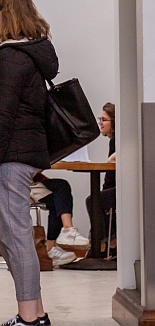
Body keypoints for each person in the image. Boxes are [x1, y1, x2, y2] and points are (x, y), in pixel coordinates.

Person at [0, 0, 58, 326]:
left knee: (16, 237)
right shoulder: (21, 54)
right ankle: (34, 314)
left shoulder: (10, 57)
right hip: (14, 155)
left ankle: (29, 318)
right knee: (10, 236)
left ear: (7, 13)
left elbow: (1, 117)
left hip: (8, 158)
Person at [30, 173, 89, 267]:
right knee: (61, 186)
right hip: (16, 184)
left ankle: (50, 248)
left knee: (58, 197)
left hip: (26, 180)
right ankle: (68, 231)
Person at [86, 102, 116, 251]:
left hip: (122, 189)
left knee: (93, 200)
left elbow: (111, 174)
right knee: (97, 200)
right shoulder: (115, 140)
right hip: (123, 187)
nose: (100, 123)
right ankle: (103, 245)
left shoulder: (116, 141)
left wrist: (104, 193)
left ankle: (101, 246)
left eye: (104, 119)